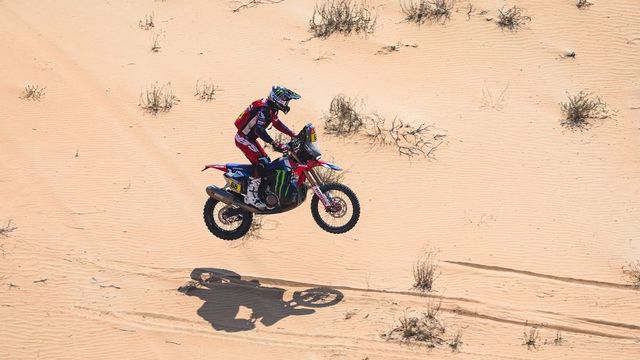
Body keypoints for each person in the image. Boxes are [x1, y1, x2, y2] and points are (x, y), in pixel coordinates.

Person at [234, 86, 300, 209]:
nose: (287, 103)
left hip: (250, 139)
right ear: (278, 99)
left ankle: (262, 193)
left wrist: (293, 134)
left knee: (267, 163)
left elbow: (277, 123)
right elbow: (259, 130)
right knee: (261, 163)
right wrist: (274, 143)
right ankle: (251, 197)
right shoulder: (264, 109)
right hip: (243, 138)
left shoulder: (271, 108)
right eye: (285, 100)